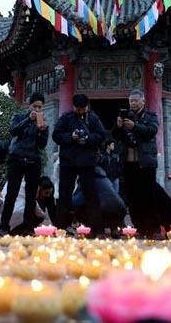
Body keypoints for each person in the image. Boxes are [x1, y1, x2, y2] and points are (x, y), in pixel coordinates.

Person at [52, 93, 106, 236]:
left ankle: (97, 229)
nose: (81, 111)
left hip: (87, 162)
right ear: (73, 106)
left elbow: (101, 135)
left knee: (91, 194)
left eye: (83, 109)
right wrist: (71, 137)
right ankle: (62, 227)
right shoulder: (66, 117)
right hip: (68, 162)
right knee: (64, 194)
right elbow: (56, 135)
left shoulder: (93, 118)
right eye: (78, 109)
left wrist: (88, 138)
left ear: (87, 107)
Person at [113, 89, 163, 240]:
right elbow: (116, 136)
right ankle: (139, 228)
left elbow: (151, 131)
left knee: (148, 196)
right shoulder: (125, 116)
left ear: (143, 101)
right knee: (133, 198)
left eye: (135, 101)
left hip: (146, 163)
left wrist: (134, 127)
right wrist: (119, 126)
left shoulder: (151, 115)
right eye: (130, 101)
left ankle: (154, 229)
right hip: (128, 163)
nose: (133, 103)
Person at [0, 92, 50, 236]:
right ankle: (4, 226)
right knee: (12, 193)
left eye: (40, 107)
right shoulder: (19, 117)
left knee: (31, 196)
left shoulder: (43, 122)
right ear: (30, 106)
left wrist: (42, 132)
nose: (38, 110)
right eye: (35, 106)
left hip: (33, 160)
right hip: (17, 158)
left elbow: (42, 145)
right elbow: (13, 131)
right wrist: (29, 119)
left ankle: (27, 228)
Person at [72, 166, 127, 237]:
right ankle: (114, 229)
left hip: (101, 212)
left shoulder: (87, 180)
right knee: (110, 206)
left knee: (89, 205)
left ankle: (97, 230)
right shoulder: (107, 180)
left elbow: (77, 201)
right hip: (120, 211)